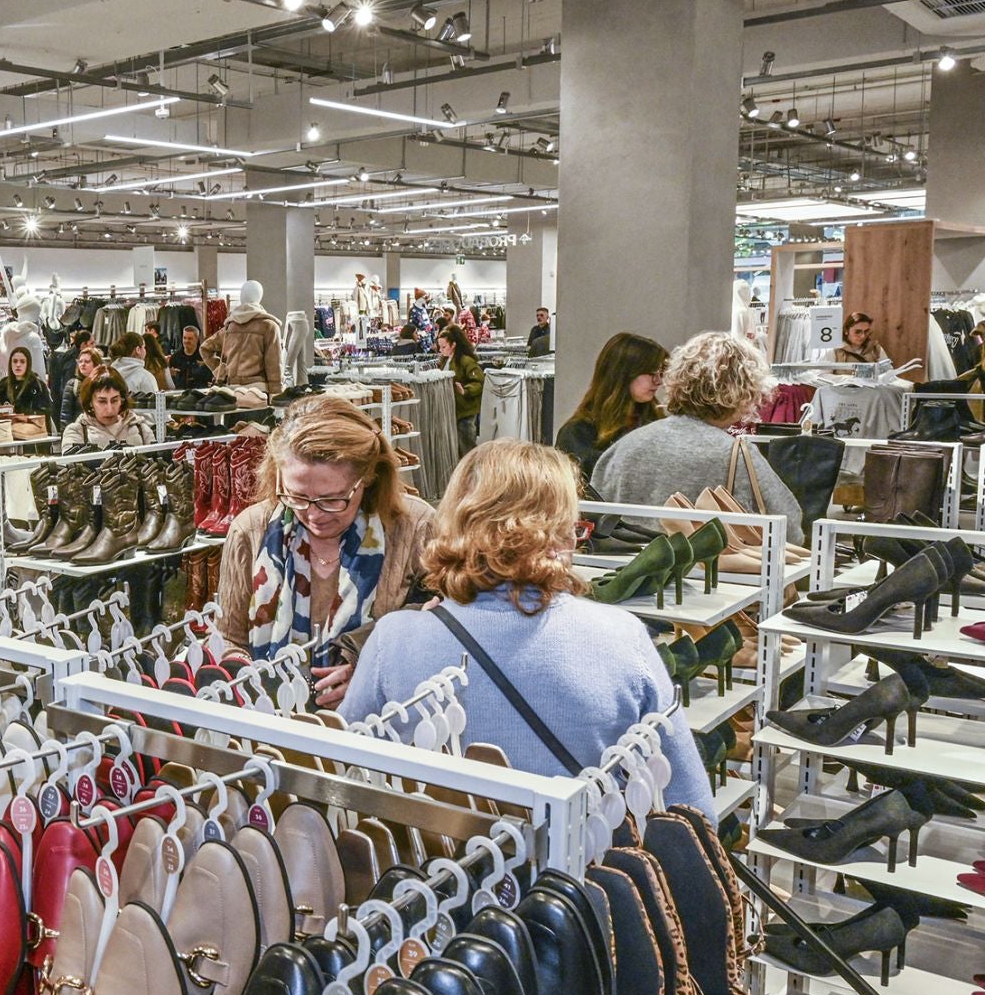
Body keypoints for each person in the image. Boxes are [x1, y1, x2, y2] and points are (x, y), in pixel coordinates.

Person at [342, 440, 716, 817]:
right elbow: (691, 804)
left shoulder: (394, 639)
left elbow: (342, 771)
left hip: (437, 865)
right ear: (564, 534)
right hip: (578, 868)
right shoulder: (622, 636)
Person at [216, 397, 436, 707]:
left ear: (368, 479)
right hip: (273, 728)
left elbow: (439, 633)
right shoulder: (252, 530)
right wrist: (247, 677)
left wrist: (372, 670)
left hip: (379, 729)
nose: (313, 514)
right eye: (296, 496)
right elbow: (230, 638)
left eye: (332, 500)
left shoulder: (415, 530)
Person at [591, 330, 805, 539]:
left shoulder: (624, 447)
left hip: (627, 571)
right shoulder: (736, 455)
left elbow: (594, 519)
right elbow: (790, 531)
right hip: (709, 573)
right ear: (743, 393)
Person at [555, 333, 667, 481]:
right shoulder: (577, 433)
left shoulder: (658, 423)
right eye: (651, 373)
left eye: (661, 373)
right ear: (622, 373)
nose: (658, 381)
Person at [61, 368, 156, 451]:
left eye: (114, 400)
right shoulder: (77, 432)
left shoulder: (142, 430)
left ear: (122, 400)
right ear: (90, 402)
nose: (109, 409)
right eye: (102, 401)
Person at [437, 324, 484, 454]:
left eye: (444, 347)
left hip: (465, 412)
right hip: (454, 411)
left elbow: (478, 382)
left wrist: (466, 390)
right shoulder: (446, 361)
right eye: (440, 347)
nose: (441, 350)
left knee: (467, 448)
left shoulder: (466, 361)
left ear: (453, 345)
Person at [0, 347, 54, 422]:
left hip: (30, 430)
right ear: (10, 364)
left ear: (28, 364)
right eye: (15, 361)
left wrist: (23, 412)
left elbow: (46, 413)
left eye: (22, 362)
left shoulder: (37, 386)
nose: (18, 365)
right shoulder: (3, 386)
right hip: (7, 429)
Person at [59, 346, 105, 428]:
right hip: (78, 431)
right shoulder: (73, 384)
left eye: (87, 362)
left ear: (96, 364)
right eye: (80, 361)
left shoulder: (103, 384)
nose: (82, 364)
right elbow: (65, 415)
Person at [169, 325, 214, 391]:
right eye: (184, 338)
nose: (186, 341)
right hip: (180, 394)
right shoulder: (175, 357)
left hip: (200, 394)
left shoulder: (203, 357)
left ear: (197, 339)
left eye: (190, 338)